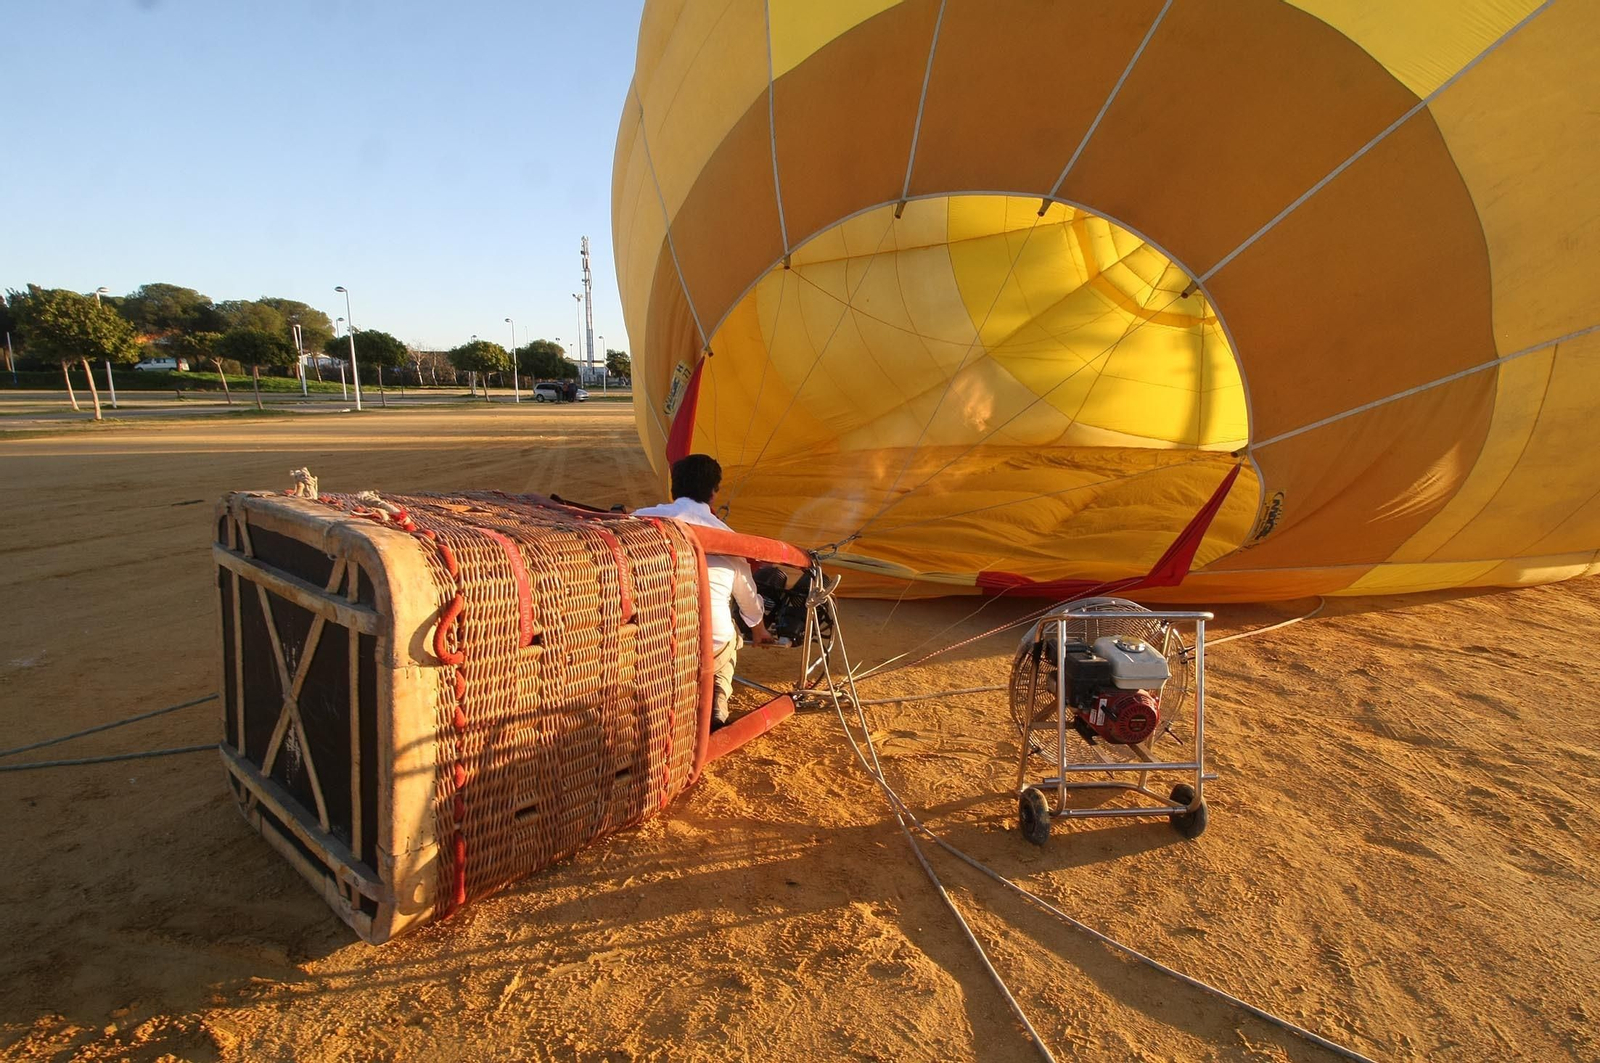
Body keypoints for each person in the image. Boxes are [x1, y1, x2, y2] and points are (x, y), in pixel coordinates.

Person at [633, 454, 774, 729]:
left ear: (674, 487)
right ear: (713, 492)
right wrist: (759, 630)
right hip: (707, 643)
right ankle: (716, 700)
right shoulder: (730, 539)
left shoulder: (639, 520)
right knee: (729, 636)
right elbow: (747, 598)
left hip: (650, 640)